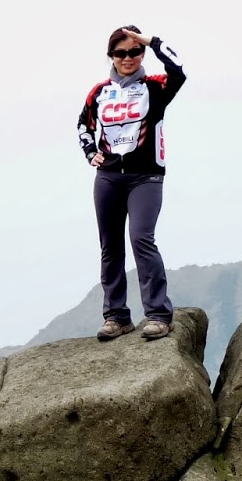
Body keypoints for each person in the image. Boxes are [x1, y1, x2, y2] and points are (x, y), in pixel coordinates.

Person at [76, 26, 186, 341]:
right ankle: (116, 317)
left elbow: (179, 71)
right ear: (111, 55)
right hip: (108, 178)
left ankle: (159, 315)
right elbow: (83, 124)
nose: (128, 58)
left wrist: (153, 42)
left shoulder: (155, 87)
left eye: (135, 51)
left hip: (145, 177)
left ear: (142, 53)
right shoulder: (99, 92)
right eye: (120, 52)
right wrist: (90, 152)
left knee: (141, 239)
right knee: (110, 247)